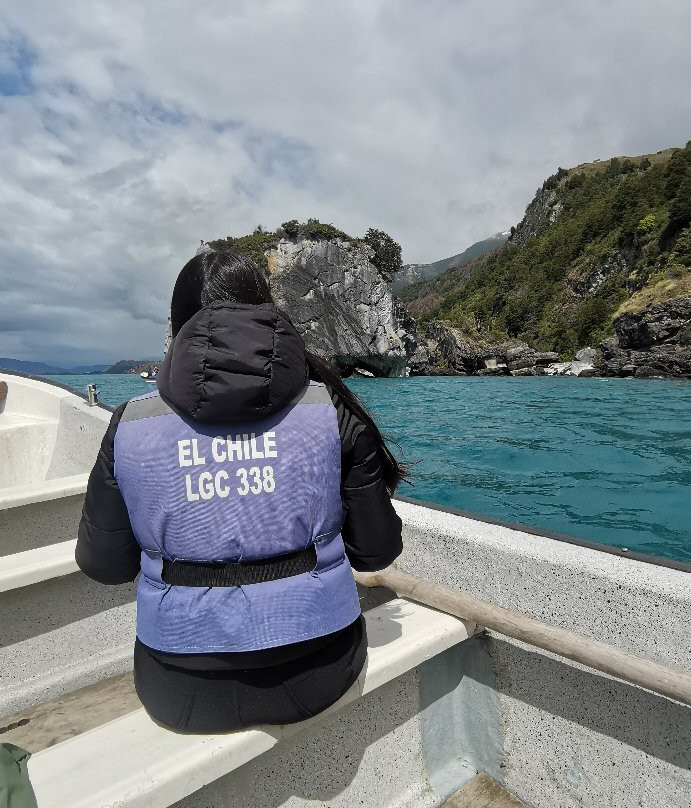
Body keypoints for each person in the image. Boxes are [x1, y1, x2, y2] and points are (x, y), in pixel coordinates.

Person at [75, 247, 405, 733]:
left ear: (178, 324)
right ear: (268, 310)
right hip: (320, 669)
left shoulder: (131, 424)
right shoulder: (331, 410)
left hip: (179, 689)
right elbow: (376, 553)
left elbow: (103, 565)